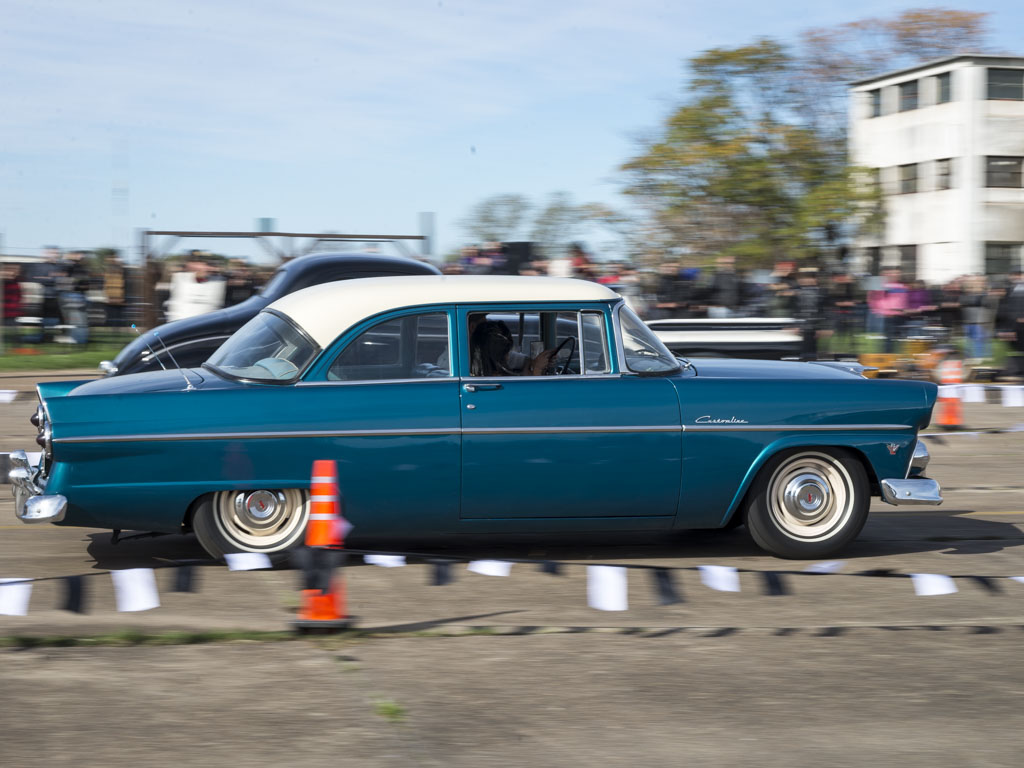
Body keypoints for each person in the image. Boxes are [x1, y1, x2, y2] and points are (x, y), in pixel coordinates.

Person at [469, 319, 557, 376]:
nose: (508, 356)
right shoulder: (495, 380)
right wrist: (537, 369)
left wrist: (535, 362)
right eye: (506, 352)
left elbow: (522, 362)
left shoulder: (482, 367)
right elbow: (530, 396)